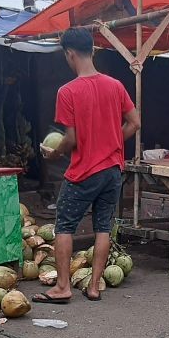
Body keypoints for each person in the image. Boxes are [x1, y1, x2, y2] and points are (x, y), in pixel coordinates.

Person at [34, 27, 139, 304]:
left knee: (65, 226)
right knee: (103, 227)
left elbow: (71, 138)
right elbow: (135, 123)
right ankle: (94, 287)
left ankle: (63, 287)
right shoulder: (116, 86)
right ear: (92, 50)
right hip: (113, 170)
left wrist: (55, 154)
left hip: (84, 172)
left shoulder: (68, 91)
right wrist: (114, 140)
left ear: (69, 54)